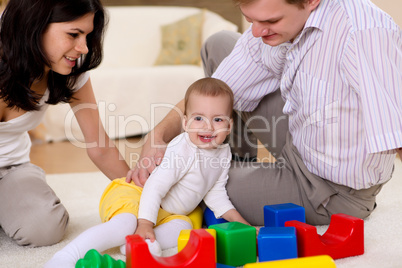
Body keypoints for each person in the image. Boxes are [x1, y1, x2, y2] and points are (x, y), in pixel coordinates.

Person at [128, 0, 402, 226]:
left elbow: (398, 130)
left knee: (190, 186)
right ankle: (229, 159)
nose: (257, 32)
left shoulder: (364, 34)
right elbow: (218, 89)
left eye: (270, 22)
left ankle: (232, 176)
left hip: (331, 190)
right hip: (301, 139)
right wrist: (158, 135)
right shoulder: (272, 24)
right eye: (251, 20)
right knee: (220, 44)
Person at [45, 77, 254, 267]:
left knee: (184, 229)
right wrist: (145, 223)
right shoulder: (182, 150)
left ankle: (135, 244)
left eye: (218, 120)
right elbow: (155, 187)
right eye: (198, 118)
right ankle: (66, 256)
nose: (207, 127)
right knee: (126, 224)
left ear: (229, 126)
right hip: (137, 194)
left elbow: (216, 195)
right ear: (185, 123)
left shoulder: (224, 154)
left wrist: (246, 226)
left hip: (170, 212)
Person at [0, 0, 130, 247]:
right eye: (73, 34)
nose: (82, 48)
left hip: (11, 168)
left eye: (87, 36)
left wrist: (145, 200)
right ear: (34, 25)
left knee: (44, 227)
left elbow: (100, 147)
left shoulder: (72, 68)